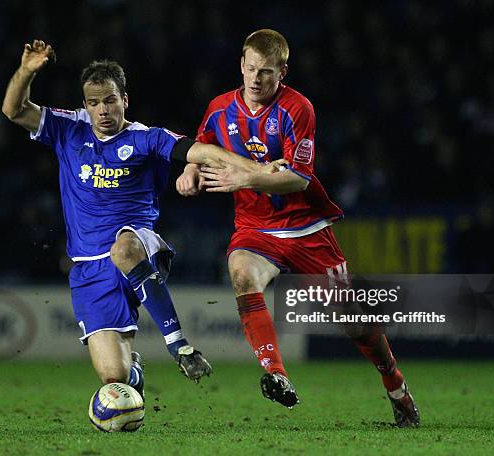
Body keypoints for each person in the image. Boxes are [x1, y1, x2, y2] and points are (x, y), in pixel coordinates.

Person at [1, 40, 275, 396]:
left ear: (124, 100)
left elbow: (203, 150)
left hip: (140, 246)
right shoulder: (68, 129)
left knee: (123, 248)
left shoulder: (145, 138)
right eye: (95, 102)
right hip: (87, 268)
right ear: (85, 105)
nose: (103, 110)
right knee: (114, 378)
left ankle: (179, 345)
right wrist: (26, 71)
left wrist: (257, 169)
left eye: (111, 100)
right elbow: (13, 110)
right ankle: (134, 375)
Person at [177, 29, 420, 427]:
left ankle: (395, 384)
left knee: (353, 320)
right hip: (255, 227)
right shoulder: (220, 108)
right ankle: (276, 372)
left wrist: (246, 178)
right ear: (241, 65)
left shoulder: (297, 108)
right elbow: (201, 147)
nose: (256, 79)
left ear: (282, 72)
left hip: (305, 228)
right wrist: (190, 170)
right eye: (251, 69)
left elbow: (298, 179)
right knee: (241, 274)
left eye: (267, 72)